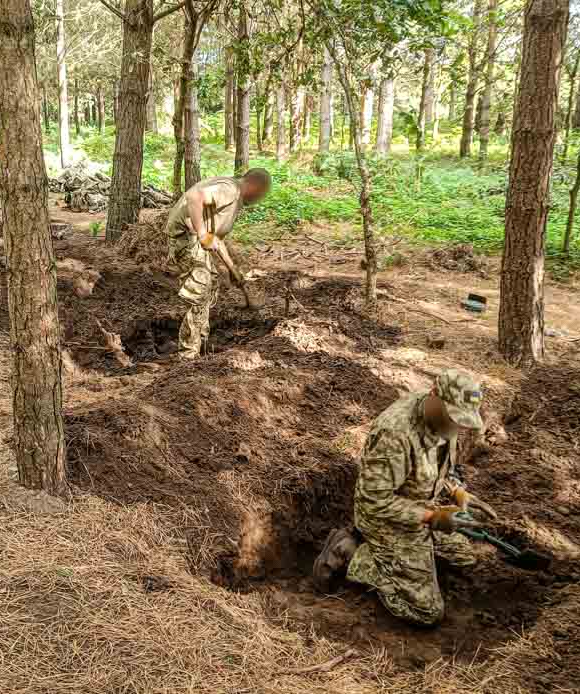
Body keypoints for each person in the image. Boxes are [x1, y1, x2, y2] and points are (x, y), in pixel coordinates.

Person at [313, 369, 497, 626]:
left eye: (462, 421)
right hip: (383, 517)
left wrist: (456, 490)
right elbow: (374, 501)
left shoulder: (443, 420)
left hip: (420, 507)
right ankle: (353, 554)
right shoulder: (396, 434)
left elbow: (442, 468)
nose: (455, 427)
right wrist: (432, 517)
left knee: (463, 556)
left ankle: (409, 557)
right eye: (453, 418)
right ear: (434, 395)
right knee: (426, 611)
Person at [163, 168, 271, 359]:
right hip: (185, 238)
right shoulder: (229, 190)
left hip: (194, 239)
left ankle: (201, 342)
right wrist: (203, 233)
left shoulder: (235, 199)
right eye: (262, 193)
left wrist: (232, 269)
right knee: (201, 289)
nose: (260, 198)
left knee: (212, 284)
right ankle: (188, 354)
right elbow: (194, 196)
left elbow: (216, 239)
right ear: (255, 186)